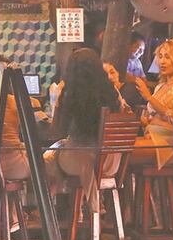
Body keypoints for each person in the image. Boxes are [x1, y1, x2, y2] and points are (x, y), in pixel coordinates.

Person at [43, 49, 122, 204]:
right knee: (54, 156)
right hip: (109, 162)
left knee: (46, 160)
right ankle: (82, 207)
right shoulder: (111, 92)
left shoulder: (69, 93)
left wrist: (56, 107)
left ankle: (52, 208)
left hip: (80, 162)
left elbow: (57, 133)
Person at [131, 39, 173, 168]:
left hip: (168, 143)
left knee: (123, 152)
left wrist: (149, 97)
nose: (162, 61)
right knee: (115, 148)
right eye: (160, 57)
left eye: (167, 57)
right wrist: (137, 118)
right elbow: (153, 119)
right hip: (150, 136)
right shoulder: (160, 86)